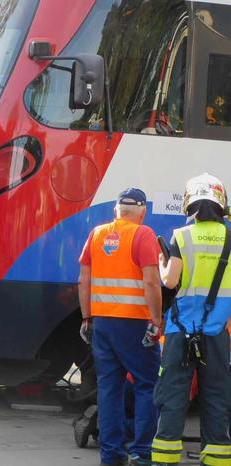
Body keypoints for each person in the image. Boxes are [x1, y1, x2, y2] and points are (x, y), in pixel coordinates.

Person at [78, 188, 163, 466]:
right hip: (135, 323)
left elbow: (83, 279)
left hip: (102, 322)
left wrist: (86, 317)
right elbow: (151, 282)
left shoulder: (97, 234)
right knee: (146, 385)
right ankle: (141, 451)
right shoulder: (143, 234)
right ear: (142, 211)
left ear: (116, 210)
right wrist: (156, 319)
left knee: (109, 388)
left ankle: (112, 454)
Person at [151, 173, 231, 466]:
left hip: (180, 331)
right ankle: (217, 458)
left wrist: (162, 265)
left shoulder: (181, 236)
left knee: (173, 394)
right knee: (217, 395)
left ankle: (164, 458)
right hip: (218, 332)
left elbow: (170, 282)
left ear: (189, 203)